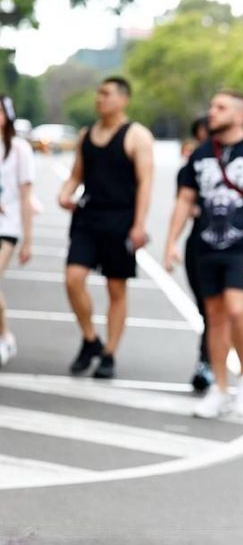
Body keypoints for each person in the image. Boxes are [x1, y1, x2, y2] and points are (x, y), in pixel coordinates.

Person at [164, 90, 243, 418]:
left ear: (239, 115)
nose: (211, 112)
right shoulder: (201, 153)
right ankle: (219, 387)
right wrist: (171, 242)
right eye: (211, 106)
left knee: (235, 310)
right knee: (214, 317)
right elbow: (185, 199)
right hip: (205, 246)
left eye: (220, 107)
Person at [59, 77, 154, 379]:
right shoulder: (87, 134)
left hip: (121, 220)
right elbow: (76, 175)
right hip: (87, 218)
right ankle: (90, 340)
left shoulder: (137, 135)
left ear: (123, 99)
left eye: (106, 94)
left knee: (116, 288)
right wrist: (65, 192)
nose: (100, 99)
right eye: (98, 94)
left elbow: (145, 183)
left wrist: (139, 225)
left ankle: (109, 352)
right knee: (73, 278)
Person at [0, 94, 35, 366]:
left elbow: (26, 196)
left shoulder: (20, 149)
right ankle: (5, 334)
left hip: (7, 226)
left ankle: (4, 337)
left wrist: (28, 240)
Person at [180, 115, 215, 392]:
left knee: (220, 311)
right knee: (207, 309)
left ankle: (207, 363)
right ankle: (208, 360)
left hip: (232, 248)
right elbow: (183, 201)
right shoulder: (195, 163)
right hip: (198, 244)